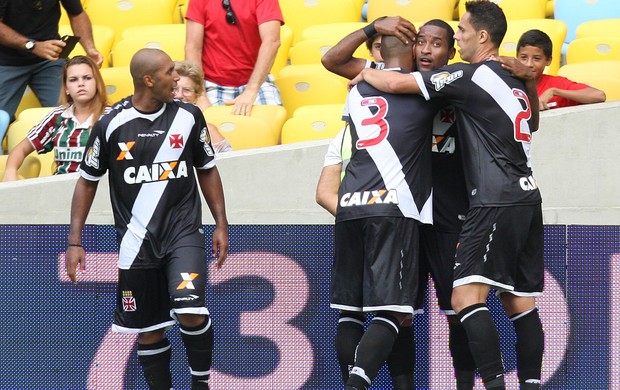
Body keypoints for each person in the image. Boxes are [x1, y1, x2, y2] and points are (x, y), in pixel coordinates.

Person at [351, 1, 545, 389]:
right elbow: (534, 123)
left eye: (462, 31)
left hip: (495, 198)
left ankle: (493, 384)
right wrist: (531, 79)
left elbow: (395, 84)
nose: (458, 37)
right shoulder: (513, 75)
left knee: (465, 300)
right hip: (528, 196)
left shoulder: (467, 75)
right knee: (519, 302)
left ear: (483, 36)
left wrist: (366, 74)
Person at [322, 17, 477, 389]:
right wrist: (373, 30)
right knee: (399, 313)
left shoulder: (455, 81)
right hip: (403, 212)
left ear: (450, 51)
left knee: (458, 310)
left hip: (446, 216)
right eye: (420, 41)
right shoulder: (387, 74)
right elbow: (333, 60)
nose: (425, 50)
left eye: (436, 44)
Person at [65, 48, 229, 390]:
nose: (177, 78)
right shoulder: (111, 125)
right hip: (136, 242)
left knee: (190, 308)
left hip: (183, 233)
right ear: (149, 80)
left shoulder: (189, 117)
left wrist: (221, 223)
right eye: (170, 72)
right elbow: (86, 182)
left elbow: (208, 170)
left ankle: (201, 383)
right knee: (148, 329)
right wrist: (74, 241)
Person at [331, 34, 440, 390]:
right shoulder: (421, 89)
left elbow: (335, 61)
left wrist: (367, 69)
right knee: (394, 310)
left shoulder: (356, 91)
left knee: (351, 311)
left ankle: (352, 379)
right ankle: (358, 384)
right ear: (412, 51)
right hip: (394, 207)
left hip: (348, 205)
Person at [2, 55, 107, 181]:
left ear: (97, 83)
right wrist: (10, 170)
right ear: (66, 88)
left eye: (87, 78)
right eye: (73, 80)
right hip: (61, 190)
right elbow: (21, 149)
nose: (81, 84)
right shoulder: (58, 116)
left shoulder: (111, 117)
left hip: (100, 188)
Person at [0, 0, 103, 122]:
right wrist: (32, 46)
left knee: (71, 112)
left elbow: (77, 13)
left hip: (50, 59)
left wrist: (90, 48)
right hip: (5, 62)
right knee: (1, 118)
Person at [184, 0, 283, 116]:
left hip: (257, 82)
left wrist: (251, 90)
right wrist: (201, 95)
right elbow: (192, 47)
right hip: (211, 83)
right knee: (207, 126)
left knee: (272, 120)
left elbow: (272, 42)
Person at [517, 29, 606, 110]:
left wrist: (554, 91)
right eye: (524, 58)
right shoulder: (507, 82)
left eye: (536, 58)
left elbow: (599, 95)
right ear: (517, 58)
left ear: (548, 60)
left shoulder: (557, 84)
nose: (529, 64)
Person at [174, 60, 233, 153]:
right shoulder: (152, 130)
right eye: (174, 89)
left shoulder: (208, 131)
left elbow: (230, 163)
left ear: (196, 96)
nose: (179, 95)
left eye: (187, 90)